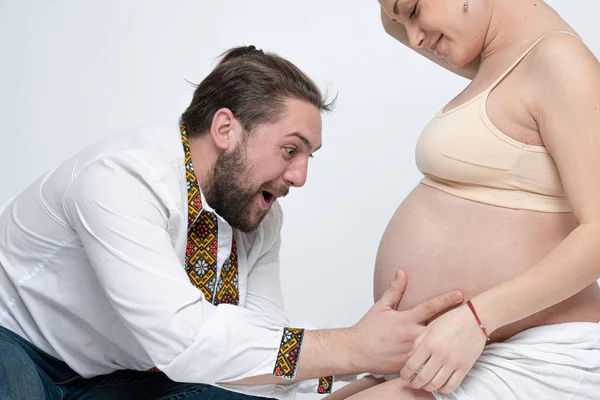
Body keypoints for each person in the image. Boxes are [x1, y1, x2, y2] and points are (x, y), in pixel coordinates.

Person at [0, 45, 463, 400]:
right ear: (225, 129)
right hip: (19, 346)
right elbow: (186, 340)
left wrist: (346, 381)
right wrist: (352, 348)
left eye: (308, 157)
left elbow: (257, 343)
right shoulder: (121, 178)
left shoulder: (259, 216)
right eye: (290, 149)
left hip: (115, 377)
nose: (299, 177)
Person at [324, 1, 600, 399]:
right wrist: (405, 11)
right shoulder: (495, 59)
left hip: (530, 354)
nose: (414, 38)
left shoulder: (559, 62)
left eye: (414, 10)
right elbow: (390, 24)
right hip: (447, 350)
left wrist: (476, 321)